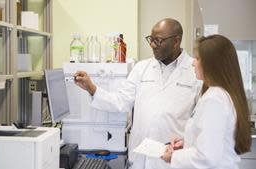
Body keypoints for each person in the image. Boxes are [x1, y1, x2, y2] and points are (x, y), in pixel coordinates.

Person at [74, 18, 201, 169]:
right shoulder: (142, 68)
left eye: (158, 40)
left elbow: (200, 123)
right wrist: (91, 88)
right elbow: (121, 101)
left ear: (176, 41)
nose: (153, 45)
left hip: (173, 162)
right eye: (151, 40)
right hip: (140, 159)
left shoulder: (195, 72)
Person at [161, 35, 252, 169]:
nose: (193, 63)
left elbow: (207, 157)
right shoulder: (222, 94)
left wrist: (173, 157)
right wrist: (188, 142)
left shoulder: (214, 99)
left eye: (197, 59)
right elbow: (214, 142)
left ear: (211, 64)